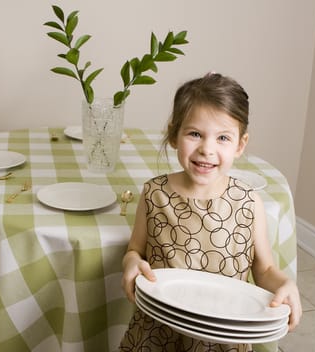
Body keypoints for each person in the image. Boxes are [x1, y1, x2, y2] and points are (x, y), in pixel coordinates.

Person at [119, 73, 302, 352]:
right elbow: (135, 250)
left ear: (240, 144)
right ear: (173, 135)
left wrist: (286, 284)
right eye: (195, 134)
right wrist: (131, 263)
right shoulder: (154, 193)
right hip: (156, 336)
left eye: (223, 138)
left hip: (223, 340)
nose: (207, 149)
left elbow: (264, 269)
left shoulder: (249, 202)